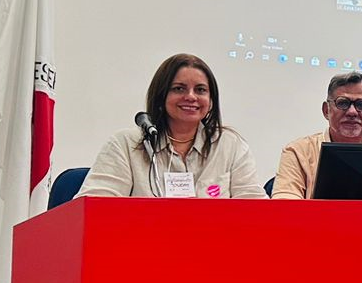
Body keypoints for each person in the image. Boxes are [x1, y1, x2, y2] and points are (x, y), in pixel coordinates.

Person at [79, 53, 264, 199]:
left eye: (200, 90)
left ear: (211, 100)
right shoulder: (126, 145)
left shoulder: (230, 145)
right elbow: (94, 205)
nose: (191, 96)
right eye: (179, 88)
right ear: (161, 96)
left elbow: (257, 211)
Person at [271, 72, 362, 200]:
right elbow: (284, 204)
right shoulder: (298, 151)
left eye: (361, 105)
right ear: (327, 110)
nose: (352, 112)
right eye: (342, 103)